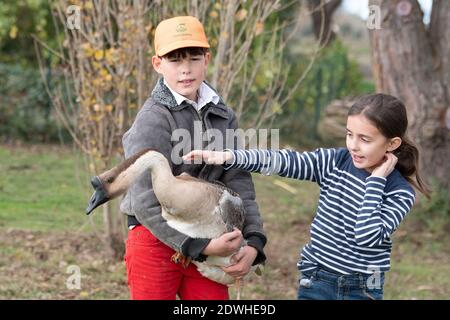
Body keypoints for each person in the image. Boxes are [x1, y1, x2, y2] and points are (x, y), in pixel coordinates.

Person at [183, 93, 430, 300]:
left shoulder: (399, 192)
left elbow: (366, 235)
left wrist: (377, 180)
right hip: (316, 278)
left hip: (362, 287)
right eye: (349, 134)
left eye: (364, 139)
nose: (353, 145)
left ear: (391, 143)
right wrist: (231, 157)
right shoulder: (335, 162)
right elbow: (285, 161)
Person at [120, 16, 267, 300]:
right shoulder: (152, 119)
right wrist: (196, 246)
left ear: (207, 59)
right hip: (154, 236)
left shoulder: (223, 115)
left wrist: (254, 241)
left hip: (209, 233)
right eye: (174, 60)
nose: (185, 70)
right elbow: (143, 199)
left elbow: (238, 181)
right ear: (157, 64)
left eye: (193, 58)